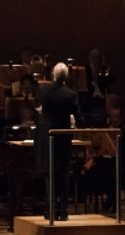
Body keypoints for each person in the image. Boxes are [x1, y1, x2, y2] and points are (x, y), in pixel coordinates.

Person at [36, 62, 83, 220]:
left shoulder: (43, 90)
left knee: (48, 173)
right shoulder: (71, 94)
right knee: (62, 173)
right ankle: (63, 211)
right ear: (66, 77)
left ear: (53, 75)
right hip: (63, 137)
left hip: (46, 135)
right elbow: (79, 118)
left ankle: (50, 209)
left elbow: (39, 108)